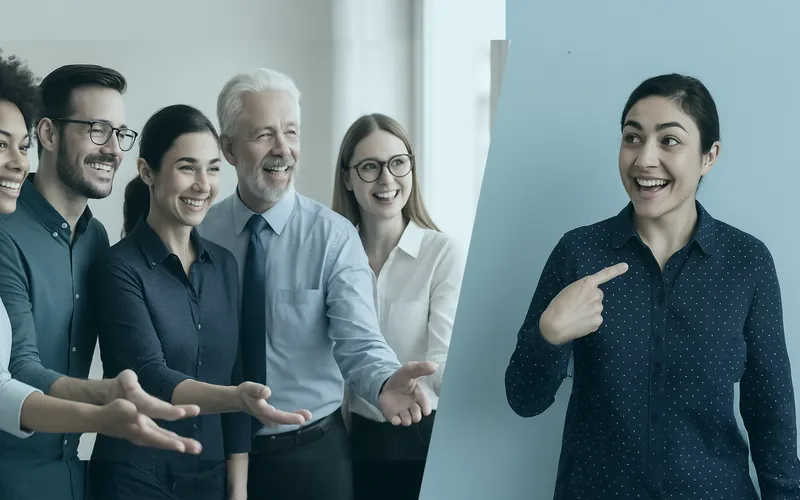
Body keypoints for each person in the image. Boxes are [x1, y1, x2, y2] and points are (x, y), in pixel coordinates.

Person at [504, 73, 800, 500]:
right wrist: (550, 335)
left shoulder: (747, 262)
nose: (644, 159)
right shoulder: (579, 253)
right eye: (632, 138)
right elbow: (523, 399)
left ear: (708, 156)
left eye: (670, 141)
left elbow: (770, 412)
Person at [198, 68, 438, 500]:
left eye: (291, 132)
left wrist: (385, 381)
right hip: (214, 453)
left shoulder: (334, 237)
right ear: (229, 148)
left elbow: (359, 340)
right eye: (264, 135)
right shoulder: (201, 233)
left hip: (311, 457)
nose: (283, 149)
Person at [87, 104, 311, 500]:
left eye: (212, 168)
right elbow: (150, 375)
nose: (203, 184)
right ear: (146, 172)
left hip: (209, 477)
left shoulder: (224, 265)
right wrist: (233, 397)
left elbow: (237, 369)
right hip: (136, 477)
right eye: (187, 167)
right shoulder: (118, 266)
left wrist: (237, 488)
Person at [0, 62, 201, 500]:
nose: (114, 149)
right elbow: (17, 369)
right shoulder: (4, 229)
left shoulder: (97, 238)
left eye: (120, 134)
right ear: (49, 135)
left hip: (80, 474)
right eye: (97, 130)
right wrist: (106, 400)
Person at [331, 113, 465, 500]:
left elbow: (442, 357)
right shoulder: (333, 256)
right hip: (349, 440)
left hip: (421, 438)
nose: (387, 179)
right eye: (370, 167)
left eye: (397, 163)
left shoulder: (442, 253)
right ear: (348, 178)